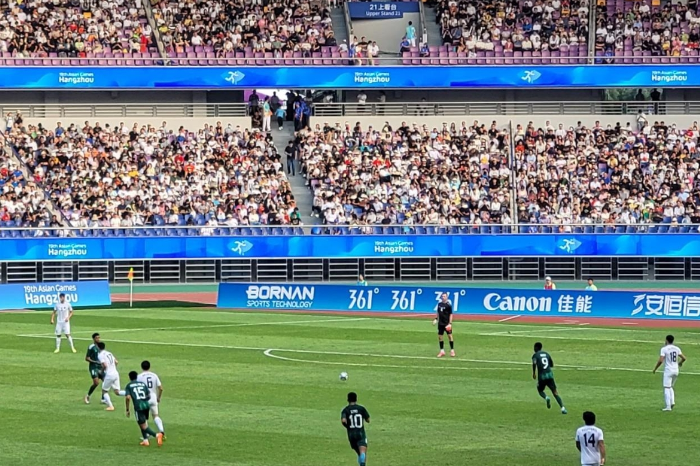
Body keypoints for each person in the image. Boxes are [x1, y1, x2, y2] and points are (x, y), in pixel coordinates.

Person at [125, 371, 164, 447]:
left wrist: (127, 409)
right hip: (146, 405)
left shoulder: (129, 385)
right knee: (143, 422)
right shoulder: (143, 384)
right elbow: (148, 395)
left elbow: (128, 397)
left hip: (138, 407)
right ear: (136, 377)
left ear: (129, 377)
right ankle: (145, 440)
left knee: (142, 425)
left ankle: (157, 435)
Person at [653, 334, 686, 411]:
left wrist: (655, 368)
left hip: (668, 370)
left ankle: (668, 406)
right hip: (676, 370)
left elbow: (661, 360)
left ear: (666, 340)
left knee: (666, 387)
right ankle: (672, 401)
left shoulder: (664, 349)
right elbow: (684, 358)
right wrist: (680, 363)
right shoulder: (676, 348)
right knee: (670, 386)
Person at [532, 342, 567, 414]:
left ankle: (546, 397)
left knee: (540, 390)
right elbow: (551, 365)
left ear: (536, 348)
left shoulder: (535, 355)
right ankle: (563, 408)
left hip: (542, 376)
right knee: (555, 392)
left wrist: (534, 373)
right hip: (550, 375)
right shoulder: (547, 354)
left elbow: (534, 363)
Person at [137, 360, 166, 438]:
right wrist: (158, 398)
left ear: (141, 367)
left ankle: (146, 435)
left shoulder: (139, 376)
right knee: (155, 416)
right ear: (149, 367)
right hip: (153, 398)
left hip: (144, 399)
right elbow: (161, 388)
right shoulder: (154, 375)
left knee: (143, 417)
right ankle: (162, 432)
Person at [341, 392, 370, 466]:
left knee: (359, 453)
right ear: (356, 399)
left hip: (351, 435)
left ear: (348, 399)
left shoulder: (345, 410)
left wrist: (348, 427)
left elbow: (343, 420)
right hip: (360, 433)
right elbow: (368, 420)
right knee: (362, 452)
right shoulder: (361, 408)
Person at [97, 341, 122, 411]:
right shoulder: (109, 353)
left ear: (98, 347)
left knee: (104, 391)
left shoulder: (100, 355)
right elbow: (116, 362)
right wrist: (113, 368)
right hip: (115, 373)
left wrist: (101, 371)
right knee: (117, 392)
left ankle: (111, 406)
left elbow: (104, 365)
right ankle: (131, 394)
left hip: (109, 375)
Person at [84, 332, 105, 404]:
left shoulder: (101, 347)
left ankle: (103, 398)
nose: (98, 339)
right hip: (93, 367)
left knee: (105, 382)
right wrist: (95, 362)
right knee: (96, 383)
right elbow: (87, 358)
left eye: (99, 338)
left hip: (101, 367)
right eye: (97, 338)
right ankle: (87, 396)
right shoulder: (91, 347)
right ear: (93, 339)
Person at [433, 292, 455, 358]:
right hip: (440, 324)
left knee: (450, 336)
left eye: (444, 296)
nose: (443, 297)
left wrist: (450, 323)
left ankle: (452, 350)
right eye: (442, 296)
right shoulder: (439, 304)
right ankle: (442, 351)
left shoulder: (449, 305)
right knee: (440, 337)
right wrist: (436, 319)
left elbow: (451, 314)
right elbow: (438, 312)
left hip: (447, 324)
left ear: (447, 297)